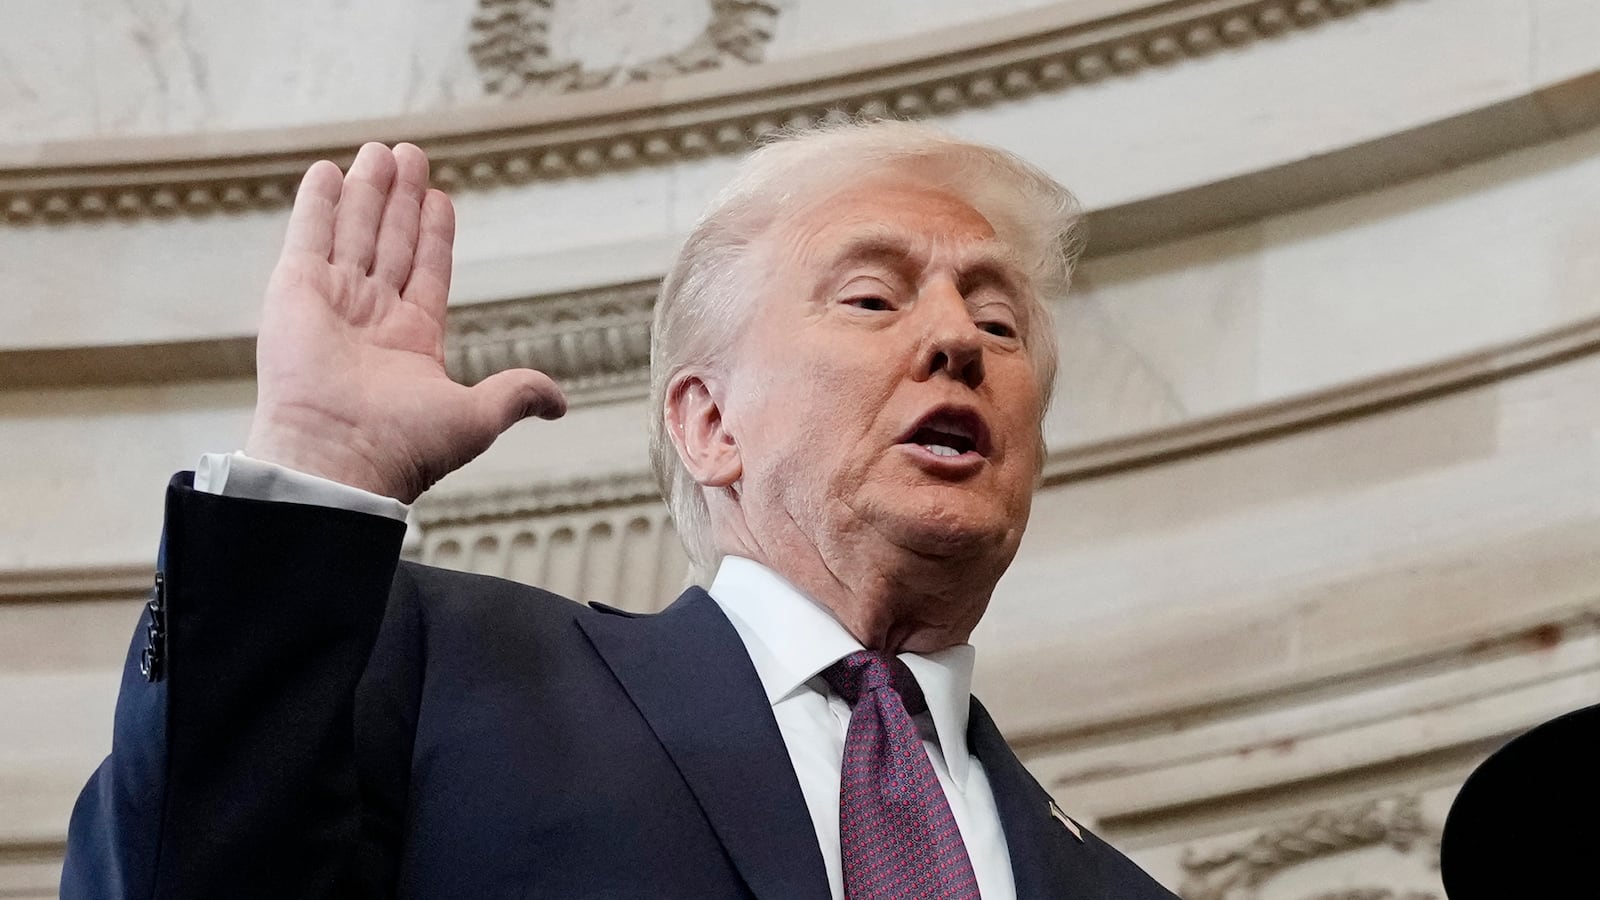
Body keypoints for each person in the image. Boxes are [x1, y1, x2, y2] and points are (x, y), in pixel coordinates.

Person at [60, 122, 1178, 899]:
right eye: (874, 296)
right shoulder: (447, 672)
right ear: (707, 424)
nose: (955, 343)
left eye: (999, 324)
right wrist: (315, 468)